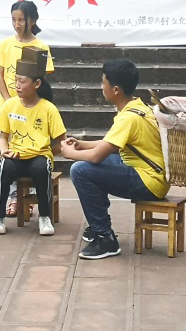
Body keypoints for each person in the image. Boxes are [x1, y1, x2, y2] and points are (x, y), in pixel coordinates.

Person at [61, 59, 169, 260]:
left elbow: (97, 155)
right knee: (94, 164)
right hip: (151, 174)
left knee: (80, 170)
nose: (101, 86)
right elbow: (109, 144)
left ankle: (105, 238)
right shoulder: (137, 106)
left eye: (103, 82)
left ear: (116, 89)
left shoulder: (128, 118)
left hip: (148, 182)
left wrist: (70, 153)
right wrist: (82, 144)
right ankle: (98, 224)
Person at [0, 47, 66, 236]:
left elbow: (62, 141)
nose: (17, 85)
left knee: (42, 169)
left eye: (22, 81)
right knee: (3, 169)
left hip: (39, 156)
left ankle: (45, 217)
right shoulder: (9, 105)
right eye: (16, 80)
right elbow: (3, 138)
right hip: (15, 155)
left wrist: (47, 153)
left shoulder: (48, 109)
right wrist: (4, 151)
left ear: (37, 83)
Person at [0, 0, 54, 218]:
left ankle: (29, 198)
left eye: (21, 20)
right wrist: (10, 101)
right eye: (14, 20)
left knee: (33, 148)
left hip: (32, 108)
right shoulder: (5, 44)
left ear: (32, 20)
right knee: (12, 151)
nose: (17, 24)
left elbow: (42, 79)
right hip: (9, 106)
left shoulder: (41, 46)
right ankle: (14, 198)